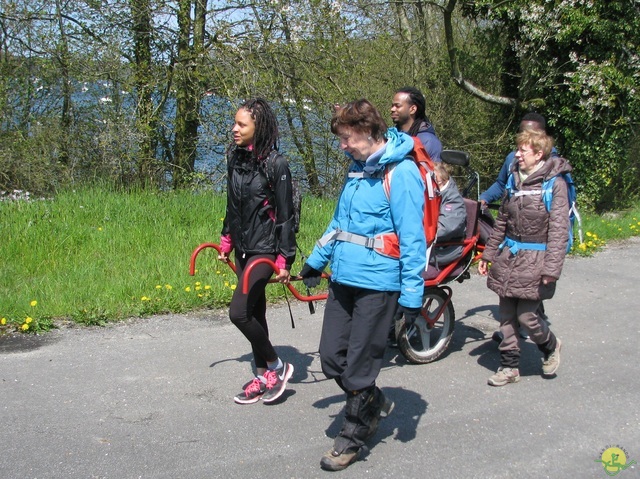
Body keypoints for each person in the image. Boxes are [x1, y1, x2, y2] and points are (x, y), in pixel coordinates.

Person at [299, 99, 426, 471]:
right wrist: (314, 260)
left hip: (379, 283)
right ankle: (371, 398)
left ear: (369, 132)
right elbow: (338, 224)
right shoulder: (356, 171)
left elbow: (413, 239)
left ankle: (353, 436)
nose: (343, 145)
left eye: (347, 138)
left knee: (358, 365)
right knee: (330, 358)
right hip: (344, 277)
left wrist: (412, 295)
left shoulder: (401, 173)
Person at [218, 98, 296, 405]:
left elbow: (287, 215)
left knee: (238, 313)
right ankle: (263, 376)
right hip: (243, 247)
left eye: (241, 124)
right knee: (255, 312)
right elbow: (232, 204)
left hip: (265, 250)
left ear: (258, 128)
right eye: (235, 123)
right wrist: (227, 240)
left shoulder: (277, 164)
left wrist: (284, 259)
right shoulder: (234, 158)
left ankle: (277, 365)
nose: (234, 129)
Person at [478, 129, 568, 387]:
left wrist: (552, 269)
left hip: (537, 261)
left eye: (522, 150)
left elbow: (559, 230)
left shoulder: (555, 184)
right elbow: (502, 222)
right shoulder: (514, 180)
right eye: (517, 149)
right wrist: (489, 253)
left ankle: (550, 346)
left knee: (527, 317)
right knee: (506, 316)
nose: (516, 155)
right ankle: (509, 368)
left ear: (539, 154)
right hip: (509, 258)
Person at [480, 112, 554, 337]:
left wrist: (552, 264)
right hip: (515, 243)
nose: (525, 136)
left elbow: (560, 218)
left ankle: (539, 335)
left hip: (539, 245)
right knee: (516, 292)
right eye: (521, 131)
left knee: (528, 299)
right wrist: (483, 198)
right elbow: (501, 185)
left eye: (531, 132)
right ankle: (511, 346)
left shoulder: (553, 169)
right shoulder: (513, 159)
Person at [425, 162, 467, 278]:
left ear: (440, 180)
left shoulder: (453, 199)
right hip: (434, 246)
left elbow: (444, 228)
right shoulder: (434, 194)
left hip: (444, 249)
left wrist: (417, 235)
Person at [390, 86, 443, 162]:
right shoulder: (391, 138)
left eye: (397, 106)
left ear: (412, 109)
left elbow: (433, 172)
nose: (392, 109)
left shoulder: (428, 141)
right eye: (392, 106)